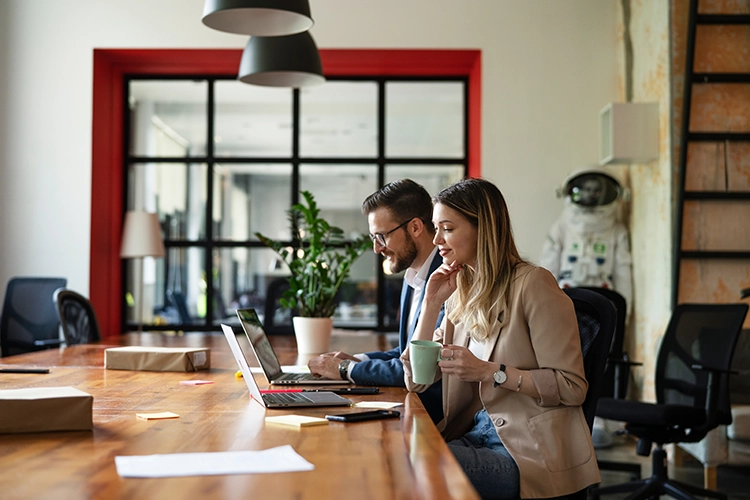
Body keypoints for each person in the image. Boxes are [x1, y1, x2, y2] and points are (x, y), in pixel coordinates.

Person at [402, 178, 600, 499]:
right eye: (435, 228)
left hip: (525, 455)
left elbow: (571, 387)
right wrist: (431, 304)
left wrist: (490, 372)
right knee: (398, 450)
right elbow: (418, 380)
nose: (436, 239)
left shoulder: (533, 284)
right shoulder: (461, 291)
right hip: (475, 435)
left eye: (447, 228)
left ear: (484, 228)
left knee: (415, 461)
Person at [308, 179, 444, 422]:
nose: (376, 248)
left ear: (415, 227)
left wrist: (344, 370)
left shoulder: (447, 282)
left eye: (381, 236)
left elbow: (420, 366)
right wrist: (358, 359)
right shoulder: (413, 276)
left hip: (433, 418)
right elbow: (406, 353)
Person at [539, 167, 633, 320]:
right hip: (566, 299)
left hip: (603, 302)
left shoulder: (616, 231)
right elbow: (548, 271)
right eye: (587, 189)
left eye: (596, 190)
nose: (591, 194)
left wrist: (623, 317)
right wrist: (545, 310)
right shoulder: (561, 227)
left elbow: (623, 275)